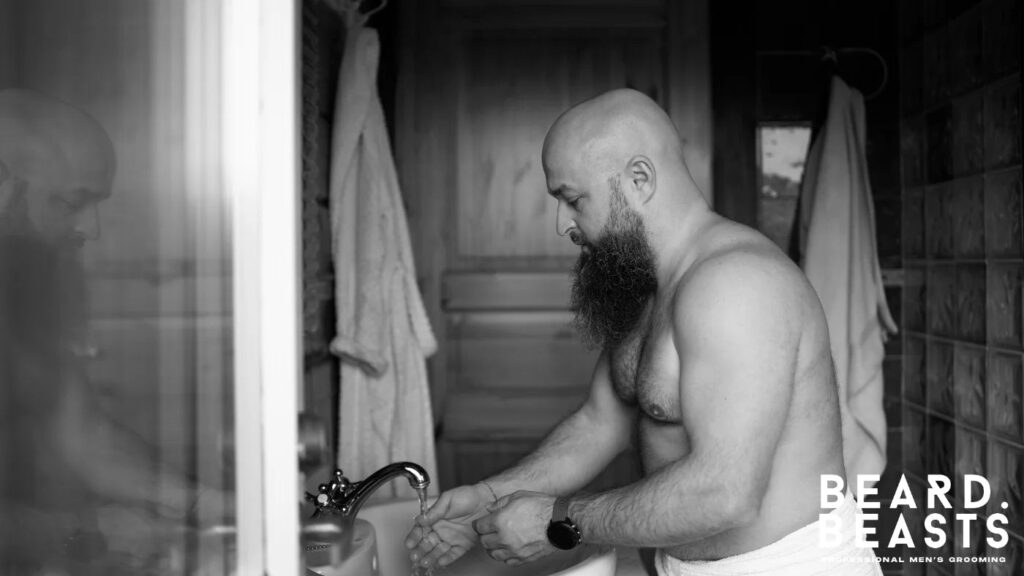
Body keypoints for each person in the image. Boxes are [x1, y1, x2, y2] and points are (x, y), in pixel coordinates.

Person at [404, 88, 882, 575]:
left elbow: (726, 493)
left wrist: (557, 520)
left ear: (639, 179)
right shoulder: (646, 288)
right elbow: (600, 423)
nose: (561, 224)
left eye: (573, 199)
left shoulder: (737, 285)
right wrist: (489, 498)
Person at [0, 89, 214, 575]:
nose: (91, 229)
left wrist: (205, 503)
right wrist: (84, 531)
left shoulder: (23, 287)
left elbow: (83, 433)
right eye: (72, 202)